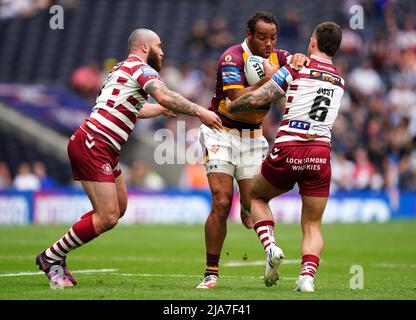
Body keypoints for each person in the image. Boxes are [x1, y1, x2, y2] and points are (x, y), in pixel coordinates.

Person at [35, 28, 222, 287]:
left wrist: (160, 109)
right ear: (145, 47)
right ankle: (51, 256)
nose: (162, 51)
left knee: (118, 208)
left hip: (104, 146)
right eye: (159, 46)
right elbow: (165, 94)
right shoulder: (142, 69)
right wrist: (200, 111)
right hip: (95, 142)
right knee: (108, 216)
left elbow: (135, 108)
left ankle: (58, 253)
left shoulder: (122, 69)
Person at [226, 22, 344, 292]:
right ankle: (307, 278)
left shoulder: (296, 69)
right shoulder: (339, 80)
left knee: (254, 195)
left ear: (313, 42)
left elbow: (260, 98)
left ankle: (270, 246)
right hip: (320, 152)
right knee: (312, 224)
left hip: (290, 146)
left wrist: (234, 103)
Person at [197, 11, 309, 289]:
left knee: (251, 207)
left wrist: (298, 58)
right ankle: (211, 273)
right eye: (262, 37)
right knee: (222, 202)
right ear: (249, 35)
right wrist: (271, 81)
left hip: (253, 137)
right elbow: (238, 100)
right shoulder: (232, 57)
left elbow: (297, 61)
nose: (269, 43)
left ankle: (271, 252)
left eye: (273, 37)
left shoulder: (278, 57)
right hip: (220, 133)